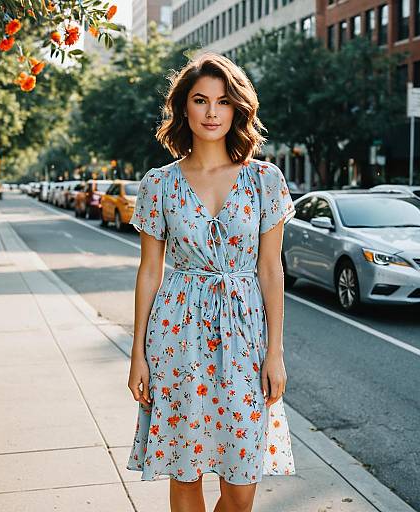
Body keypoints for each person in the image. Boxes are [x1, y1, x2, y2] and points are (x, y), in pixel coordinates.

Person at [127, 51, 296, 512]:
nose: (212, 112)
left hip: (245, 338)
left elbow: (270, 269)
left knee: (240, 488)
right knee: (185, 474)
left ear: (237, 109)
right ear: (185, 107)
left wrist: (275, 352)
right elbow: (149, 271)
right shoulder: (159, 184)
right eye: (201, 100)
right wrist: (137, 353)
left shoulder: (265, 180)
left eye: (223, 102)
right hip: (176, 336)